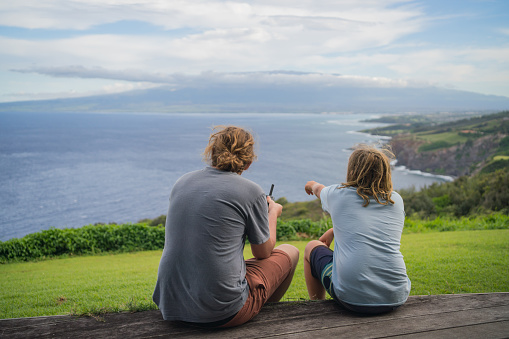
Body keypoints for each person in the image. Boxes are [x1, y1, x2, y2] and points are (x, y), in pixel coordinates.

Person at [153, 125, 299, 327]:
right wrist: (272, 213)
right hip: (221, 312)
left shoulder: (182, 182)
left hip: (170, 306)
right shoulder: (251, 191)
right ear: (247, 163)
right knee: (290, 251)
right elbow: (263, 252)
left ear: (212, 153)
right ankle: (263, 313)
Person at [303, 145, 411, 315]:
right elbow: (369, 227)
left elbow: (317, 189)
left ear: (353, 170)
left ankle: (317, 306)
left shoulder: (338, 195)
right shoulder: (395, 200)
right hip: (396, 296)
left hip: (351, 299)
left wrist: (310, 184)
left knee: (311, 247)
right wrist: (334, 231)